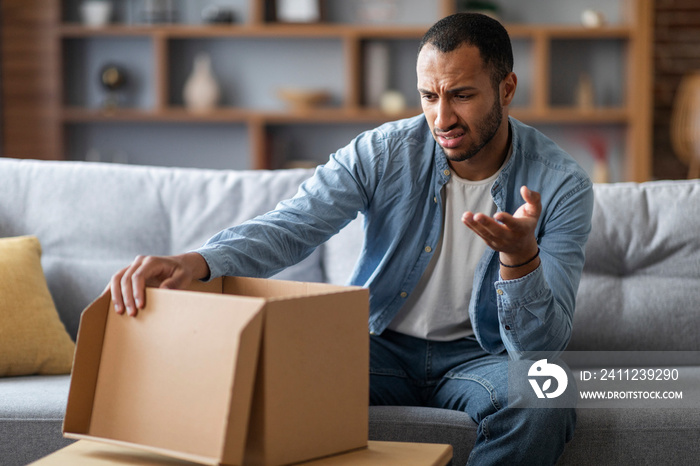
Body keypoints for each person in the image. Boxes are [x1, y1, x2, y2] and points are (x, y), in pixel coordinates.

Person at [111, 13, 593, 465]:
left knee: (546, 398)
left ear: (507, 89)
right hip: (376, 344)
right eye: (428, 96)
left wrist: (520, 259)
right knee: (261, 374)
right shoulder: (383, 153)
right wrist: (198, 262)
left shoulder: (561, 183)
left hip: (482, 357)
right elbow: (293, 224)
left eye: (462, 95)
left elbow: (542, 346)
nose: (441, 118)